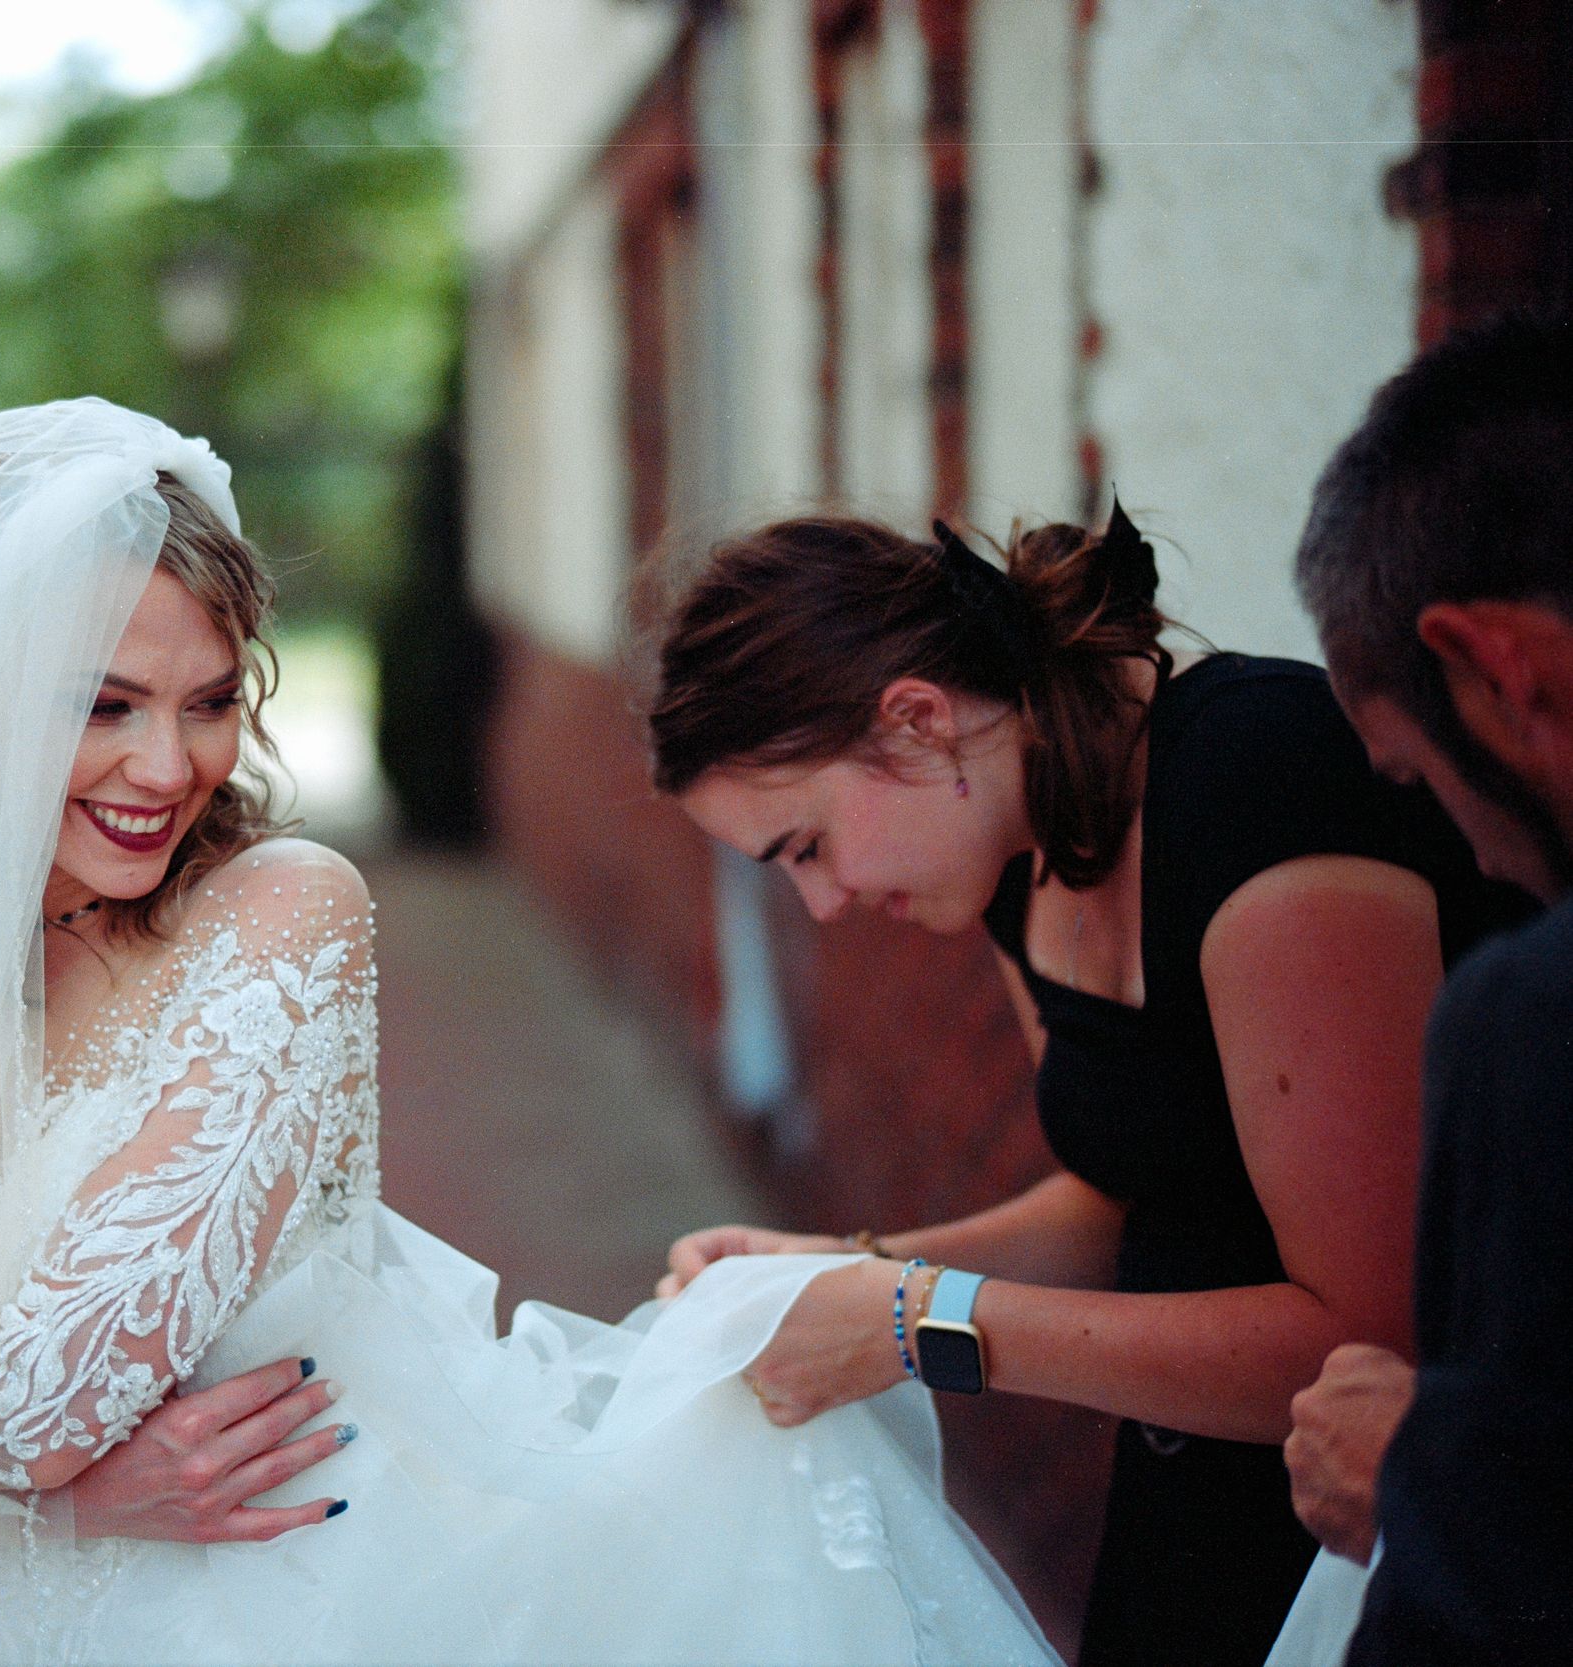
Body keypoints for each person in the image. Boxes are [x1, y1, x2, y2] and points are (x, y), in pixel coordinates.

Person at [0, 399, 1059, 1665]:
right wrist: (38, 1499)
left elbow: (34, 1391)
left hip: (299, 1597)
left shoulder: (280, 916)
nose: (167, 767)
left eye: (211, 701)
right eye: (103, 704)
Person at [644, 507, 1526, 1667]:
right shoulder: (1019, 856)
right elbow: (1123, 1204)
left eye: (804, 846)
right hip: (1188, 1505)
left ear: (916, 721)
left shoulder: (1257, 782)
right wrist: (847, 1268)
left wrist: (917, 1323)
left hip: (1384, 1539)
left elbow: (1364, 1336)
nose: (824, 902)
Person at [1272, 313, 1573, 1665]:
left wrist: (1424, 1474)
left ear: (1504, 670)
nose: (1473, 847)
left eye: (1418, 778)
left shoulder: (1535, 1015)